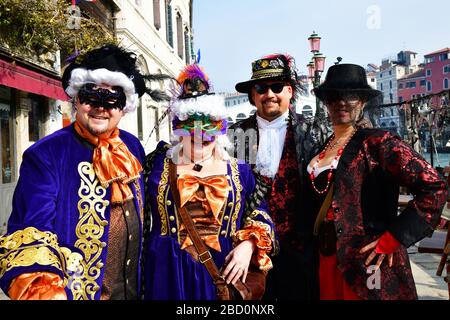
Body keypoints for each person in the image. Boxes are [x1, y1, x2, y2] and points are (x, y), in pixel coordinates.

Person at [0, 44, 171, 300]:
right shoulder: (46, 155)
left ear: (125, 107)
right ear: (76, 99)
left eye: (113, 99)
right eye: (91, 96)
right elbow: (31, 232)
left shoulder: (132, 147)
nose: (101, 108)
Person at [306, 63, 448, 300]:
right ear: (326, 101)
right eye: (335, 95)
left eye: (351, 95)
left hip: (368, 262)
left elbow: (434, 186)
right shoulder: (322, 148)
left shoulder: (378, 143)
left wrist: (394, 237)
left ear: (362, 101)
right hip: (327, 259)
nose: (342, 102)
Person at [141, 64, 275, 300]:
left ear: (221, 129)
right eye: (191, 126)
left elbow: (259, 211)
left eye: (210, 126)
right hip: (166, 277)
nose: (201, 134)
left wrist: (249, 245)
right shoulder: (156, 165)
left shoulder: (239, 170)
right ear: (178, 128)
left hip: (223, 272)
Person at [231, 54, 319, 300]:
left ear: (289, 91)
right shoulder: (235, 135)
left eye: (277, 87)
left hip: (300, 250)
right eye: (261, 88)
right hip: (249, 251)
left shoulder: (314, 131)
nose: (269, 94)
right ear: (252, 96)